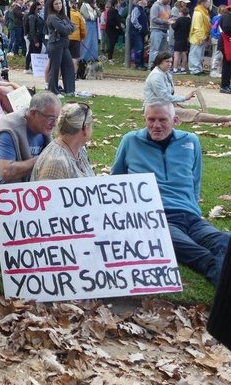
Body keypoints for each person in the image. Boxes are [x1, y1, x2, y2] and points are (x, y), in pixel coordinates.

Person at [112, 100, 230, 286]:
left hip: (191, 217)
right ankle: (215, 271)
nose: (156, 125)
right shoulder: (131, 141)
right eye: (150, 119)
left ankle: (219, 274)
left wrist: (193, 209)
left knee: (225, 241)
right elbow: (115, 181)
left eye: (162, 120)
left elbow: (194, 181)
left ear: (175, 120)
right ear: (144, 119)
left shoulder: (191, 141)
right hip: (155, 217)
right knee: (184, 247)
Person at [0, 92, 60, 200]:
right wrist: (41, 160)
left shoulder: (43, 128)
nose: (54, 124)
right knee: (14, 183)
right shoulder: (9, 130)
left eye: (56, 118)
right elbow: (6, 172)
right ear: (34, 113)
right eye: (51, 118)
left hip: (19, 176)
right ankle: (2, 211)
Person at [143, 52, 231, 124]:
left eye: (171, 61)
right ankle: (226, 118)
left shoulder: (164, 73)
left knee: (189, 112)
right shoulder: (156, 76)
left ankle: (222, 119)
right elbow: (164, 97)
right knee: (193, 114)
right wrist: (184, 98)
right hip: (155, 109)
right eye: (167, 62)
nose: (170, 64)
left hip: (164, 105)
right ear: (159, 62)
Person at [31, 102, 94, 180]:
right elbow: (49, 191)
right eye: (91, 125)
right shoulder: (55, 165)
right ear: (85, 129)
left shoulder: (80, 149)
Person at [45, 0, 76, 95]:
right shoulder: (52, 17)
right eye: (56, 4)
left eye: (60, 3)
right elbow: (65, 29)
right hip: (55, 43)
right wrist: (68, 27)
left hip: (64, 43)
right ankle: (53, 90)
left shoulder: (63, 15)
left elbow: (72, 27)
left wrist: (68, 28)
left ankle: (69, 90)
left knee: (68, 65)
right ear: (52, 6)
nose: (58, 6)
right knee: (55, 68)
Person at [148, 0, 174, 70]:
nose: (169, 0)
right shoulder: (156, 6)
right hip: (156, 29)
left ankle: (160, 66)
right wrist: (166, 21)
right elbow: (154, 19)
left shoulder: (168, 6)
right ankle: (151, 66)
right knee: (155, 49)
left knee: (163, 51)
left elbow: (169, 16)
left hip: (165, 30)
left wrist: (171, 19)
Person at [188, 0, 212, 75]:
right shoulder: (198, 12)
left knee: (200, 54)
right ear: (203, 2)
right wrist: (201, 37)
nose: (209, 4)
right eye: (208, 2)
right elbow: (197, 26)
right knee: (195, 54)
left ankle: (199, 69)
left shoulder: (204, 12)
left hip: (203, 36)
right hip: (198, 37)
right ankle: (194, 70)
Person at [129, 0, 150, 70]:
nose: (147, 1)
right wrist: (140, 27)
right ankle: (138, 64)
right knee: (139, 48)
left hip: (141, 32)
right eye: (145, 0)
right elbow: (133, 20)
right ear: (140, 1)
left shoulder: (142, 10)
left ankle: (141, 64)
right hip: (136, 32)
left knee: (141, 48)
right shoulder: (137, 9)